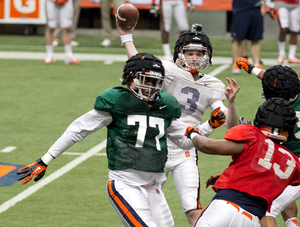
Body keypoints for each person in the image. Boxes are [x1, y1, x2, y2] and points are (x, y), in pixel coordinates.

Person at [16, 53, 199, 227]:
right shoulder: (117, 101)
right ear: (131, 79)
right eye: (147, 80)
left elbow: (185, 141)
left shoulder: (165, 105)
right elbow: (78, 130)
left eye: (156, 81)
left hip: (154, 186)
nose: (152, 86)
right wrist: (45, 160)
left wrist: (210, 126)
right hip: (125, 183)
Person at [117, 20, 240, 226]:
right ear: (179, 54)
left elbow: (232, 126)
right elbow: (139, 66)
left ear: (207, 55)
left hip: (187, 150)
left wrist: (232, 102)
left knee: (193, 210)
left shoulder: (214, 84)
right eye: (189, 53)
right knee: (145, 204)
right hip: (157, 145)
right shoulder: (167, 69)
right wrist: (126, 37)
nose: (194, 58)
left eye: (199, 54)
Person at [185, 97, 300, 227]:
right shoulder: (293, 161)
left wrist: (193, 134)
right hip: (252, 220)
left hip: (225, 208)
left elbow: (205, 145)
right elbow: (265, 177)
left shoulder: (253, 135)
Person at [236, 57, 300, 227]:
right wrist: (252, 69)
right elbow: (280, 81)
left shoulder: (278, 112)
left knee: (266, 207)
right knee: (280, 194)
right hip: (291, 165)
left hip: (293, 165)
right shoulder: (293, 90)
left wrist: (246, 130)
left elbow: (265, 142)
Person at [231, 0, 266, 74]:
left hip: (256, 7)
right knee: (238, 38)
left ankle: (257, 64)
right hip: (240, 8)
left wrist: (264, 5)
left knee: (256, 38)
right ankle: (236, 64)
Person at [44, 0, 80, 64]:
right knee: (50, 26)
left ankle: (69, 55)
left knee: (67, 27)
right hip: (51, 1)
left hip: (66, 2)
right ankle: (49, 54)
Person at [269, 0, 300, 64]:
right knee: (283, 29)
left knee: (294, 31)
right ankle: (281, 54)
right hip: (281, 3)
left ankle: (291, 56)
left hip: (296, 4)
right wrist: (272, 5)